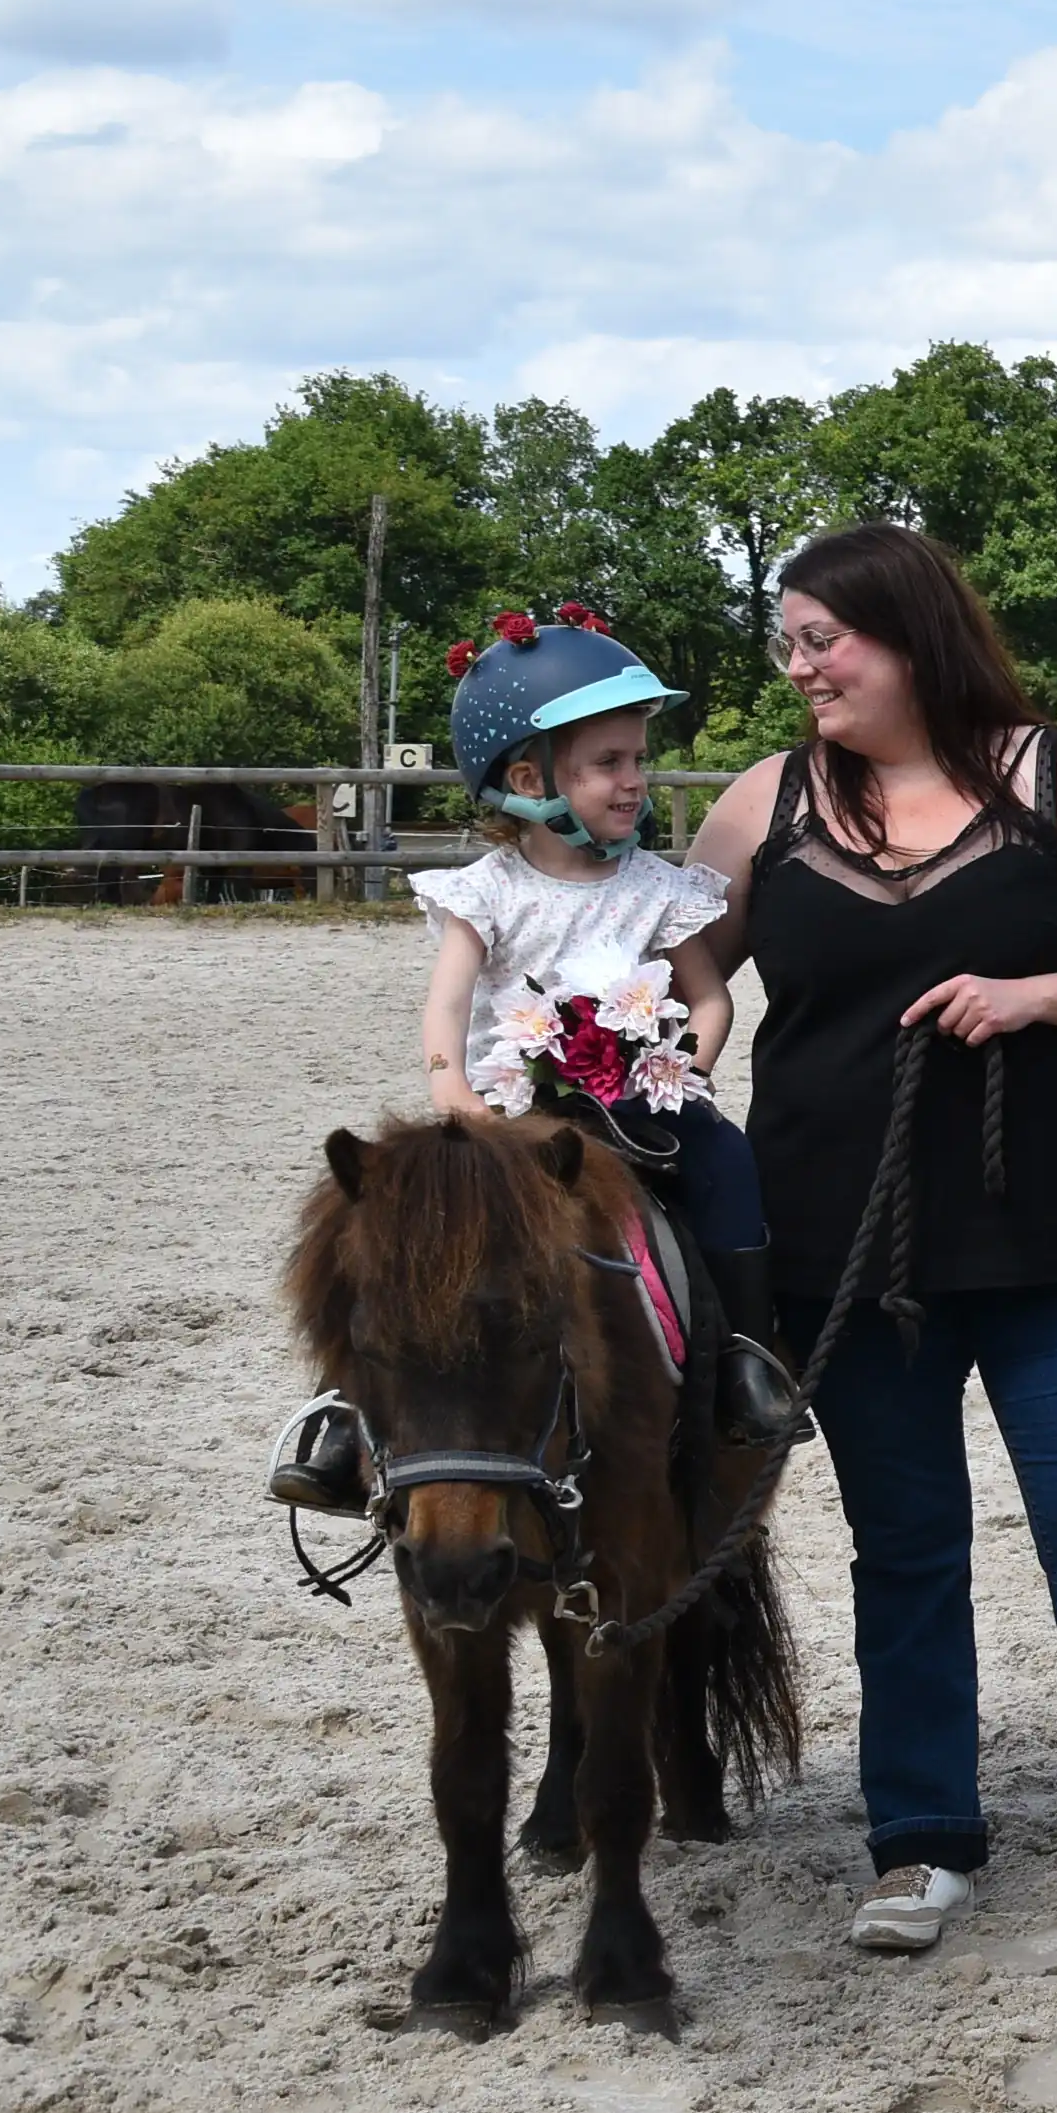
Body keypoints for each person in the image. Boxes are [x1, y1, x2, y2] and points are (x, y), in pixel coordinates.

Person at [686, 525, 1057, 1984]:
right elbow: (673, 953)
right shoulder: (762, 806)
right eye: (787, 645)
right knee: (905, 1551)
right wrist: (690, 1013)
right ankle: (922, 1835)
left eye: (823, 641)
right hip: (842, 1247)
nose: (800, 669)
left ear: (910, 634)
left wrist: (1033, 992)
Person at [266, 606, 802, 1515]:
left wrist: (683, 1067)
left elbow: (709, 996)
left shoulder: (660, 890)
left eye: (638, 760)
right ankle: (344, 1415)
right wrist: (451, 1087)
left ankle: (747, 1364)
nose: (633, 781)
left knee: (731, 1164)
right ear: (528, 777)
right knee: (388, 1232)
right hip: (511, 1112)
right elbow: (447, 1000)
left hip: (644, 1105)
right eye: (608, 764)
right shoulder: (486, 892)